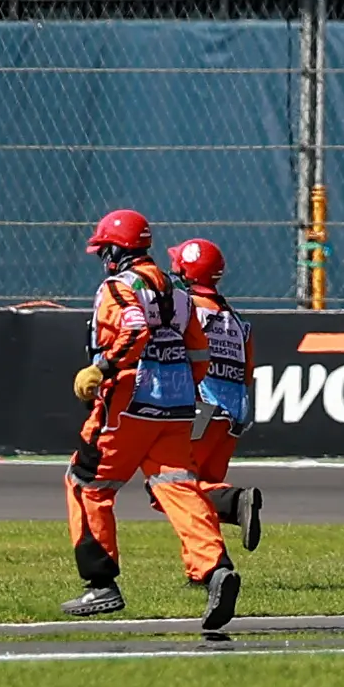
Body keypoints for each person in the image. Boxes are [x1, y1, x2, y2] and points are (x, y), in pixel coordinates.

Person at [61, 207, 243, 637]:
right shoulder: (178, 291)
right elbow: (199, 352)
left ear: (113, 251)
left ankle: (101, 584)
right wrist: (180, 386)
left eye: (103, 249)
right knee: (177, 486)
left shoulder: (119, 287)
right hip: (177, 406)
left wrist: (102, 369)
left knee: (87, 482)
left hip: (127, 404)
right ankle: (215, 569)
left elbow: (134, 328)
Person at [165, 237, 263, 554]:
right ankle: (208, 565)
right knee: (203, 493)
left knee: (169, 488)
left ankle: (236, 502)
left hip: (200, 411)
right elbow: (247, 370)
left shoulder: (185, 308)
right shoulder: (234, 319)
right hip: (232, 417)